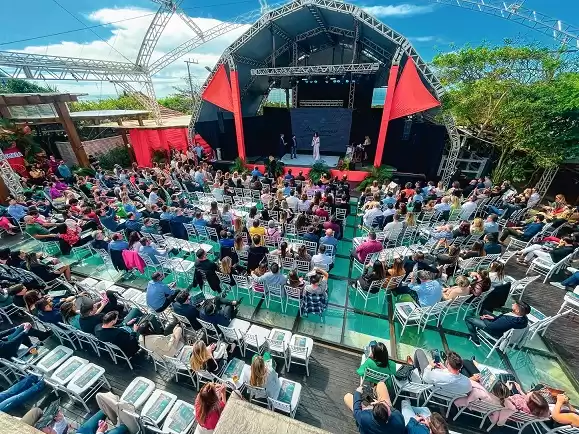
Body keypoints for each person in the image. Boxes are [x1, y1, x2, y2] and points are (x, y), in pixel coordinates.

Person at [465, 301, 531, 347]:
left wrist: (484, 318)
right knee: (485, 311)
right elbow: (502, 322)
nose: (512, 304)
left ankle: (475, 339)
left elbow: (491, 326)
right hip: (502, 327)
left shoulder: (508, 320)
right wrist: (493, 317)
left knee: (468, 319)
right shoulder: (524, 319)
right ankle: (479, 325)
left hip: (495, 332)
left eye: (514, 304)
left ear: (517, 311)